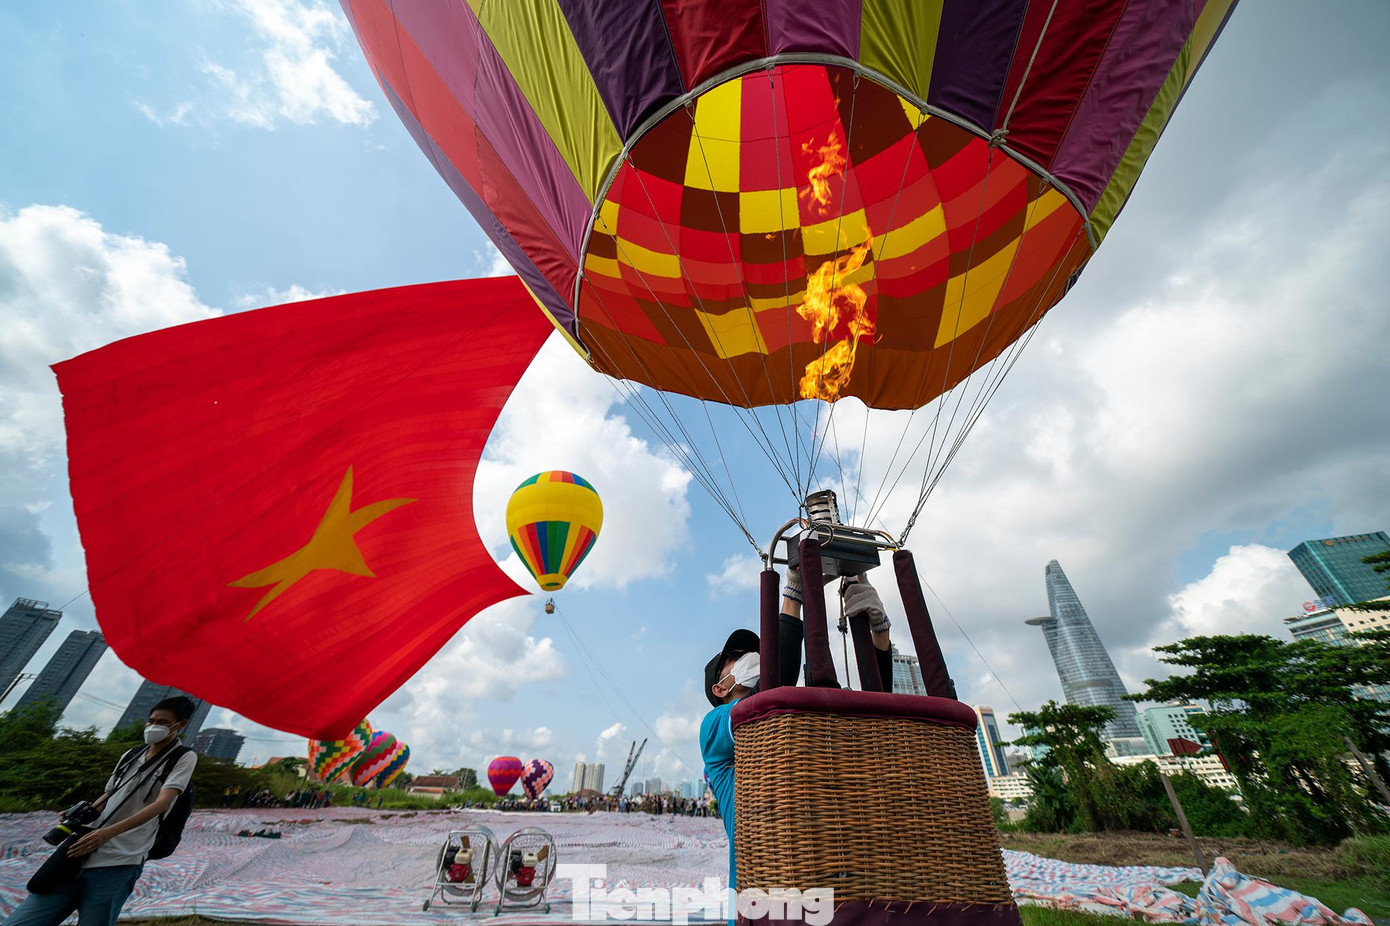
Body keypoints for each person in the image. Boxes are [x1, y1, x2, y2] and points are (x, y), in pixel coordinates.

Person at [699, 568, 894, 892]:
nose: (751, 657)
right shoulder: (714, 726)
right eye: (735, 658)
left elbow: (874, 718)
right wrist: (793, 594)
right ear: (720, 688)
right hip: (763, 895)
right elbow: (768, 701)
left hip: (832, 883)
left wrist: (879, 632)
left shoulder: (797, 714)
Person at [5, 696, 199, 926]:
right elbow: (109, 794)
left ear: (180, 725)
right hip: (78, 852)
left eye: (163, 722)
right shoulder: (130, 755)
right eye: (151, 720)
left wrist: (107, 834)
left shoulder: (184, 757)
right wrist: (80, 813)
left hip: (120, 859)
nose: (153, 727)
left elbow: (162, 803)